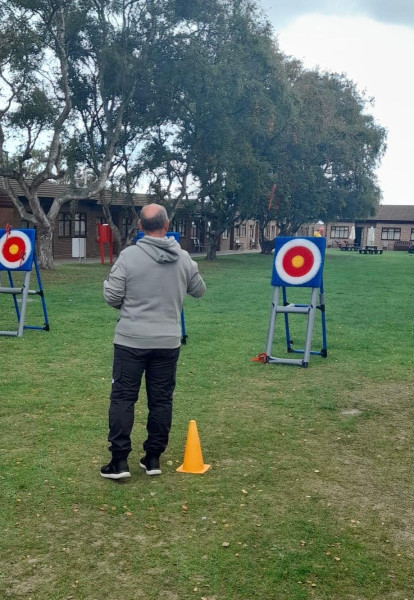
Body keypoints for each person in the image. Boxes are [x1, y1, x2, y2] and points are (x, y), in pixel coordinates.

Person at [101, 204, 206, 480]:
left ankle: (119, 462)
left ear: (140, 226)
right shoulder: (183, 257)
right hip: (167, 341)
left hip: (130, 340)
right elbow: (199, 290)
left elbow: (111, 296)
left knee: (123, 398)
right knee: (161, 400)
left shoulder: (128, 256)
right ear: (167, 225)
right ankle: (153, 458)